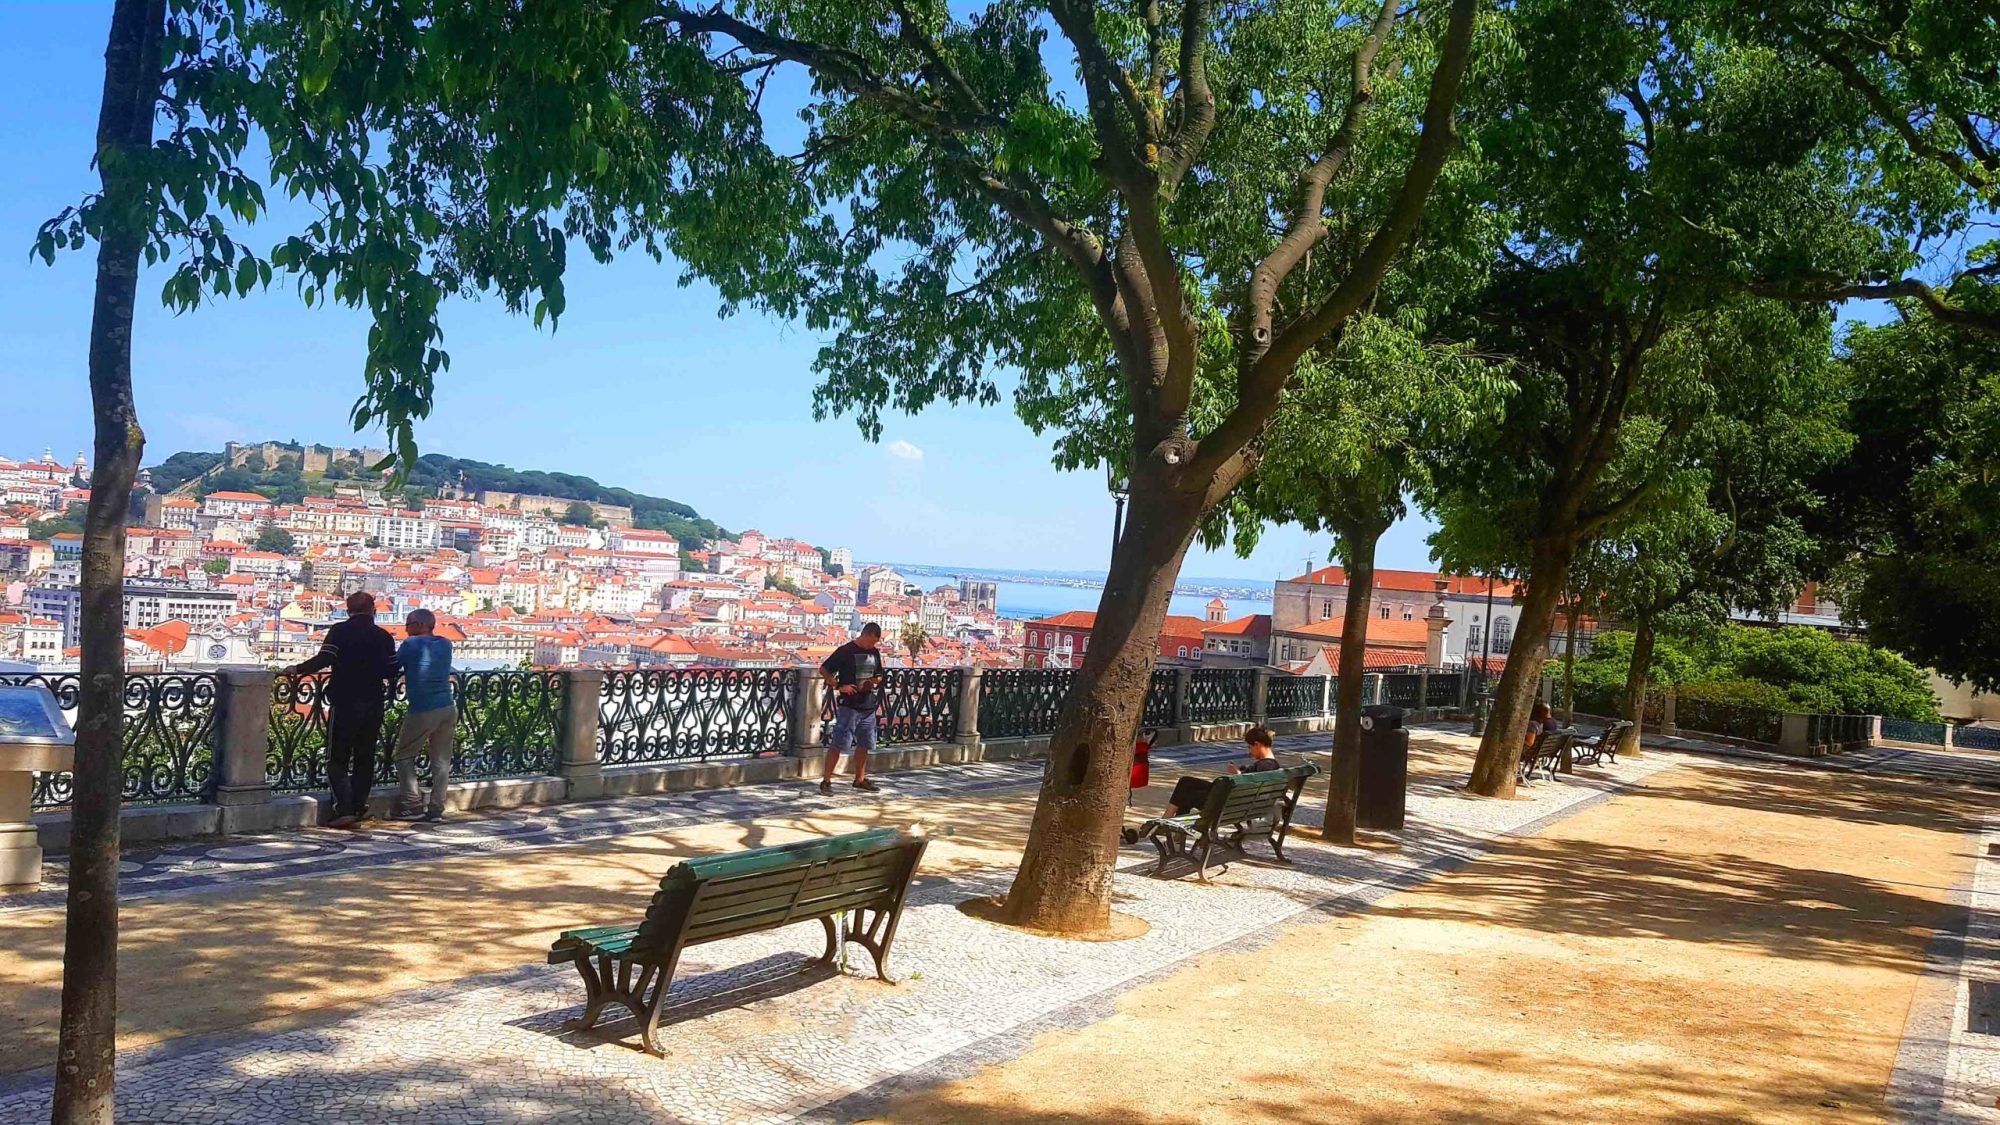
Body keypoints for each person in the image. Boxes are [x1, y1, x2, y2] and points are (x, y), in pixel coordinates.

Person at [285, 591, 397, 829]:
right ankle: (359, 806)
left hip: (345, 700)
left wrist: (297, 669)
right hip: (374, 701)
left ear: (348, 610)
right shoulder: (383, 636)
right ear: (373, 610)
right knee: (365, 757)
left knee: (338, 757)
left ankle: (344, 809)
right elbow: (391, 670)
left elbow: (324, 659)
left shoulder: (340, 631)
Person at [1123, 725, 1284, 843]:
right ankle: (1170, 825)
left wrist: (1238, 774)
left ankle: (1166, 822)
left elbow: (1245, 785)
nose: (1249, 751)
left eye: (1250, 747)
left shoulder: (1264, 766)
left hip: (1222, 804)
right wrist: (1241, 772)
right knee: (1186, 782)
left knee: (1186, 793)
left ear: (1257, 744)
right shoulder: (1272, 766)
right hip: (1235, 806)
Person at [391, 608, 456, 823]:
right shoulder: (446, 644)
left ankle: (412, 803)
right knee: (441, 760)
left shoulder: (411, 644)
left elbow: (392, 666)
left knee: (403, 755)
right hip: (448, 706)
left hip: (423, 707)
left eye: (408, 625)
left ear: (420, 624)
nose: (406, 630)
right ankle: (436, 808)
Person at [819, 622, 886, 795]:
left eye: (875, 643)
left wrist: (875, 681)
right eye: (871, 641)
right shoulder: (845, 651)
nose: (872, 645)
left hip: (868, 706)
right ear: (864, 635)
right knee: (838, 744)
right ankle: (826, 781)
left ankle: (860, 779)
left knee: (864, 744)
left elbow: (878, 674)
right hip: (849, 706)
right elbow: (824, 670)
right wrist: (838, 686)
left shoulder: (874, 652)